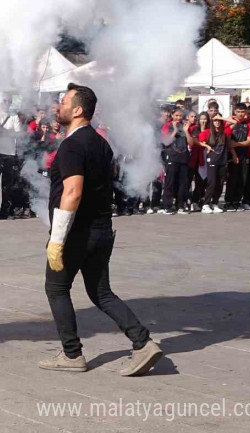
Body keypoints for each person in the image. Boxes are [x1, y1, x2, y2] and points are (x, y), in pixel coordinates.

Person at [41, 83, 160, 376]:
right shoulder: (99, 142)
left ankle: (72, 355)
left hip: (76, 233)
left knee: (56, 289)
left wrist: (57, 240)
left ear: (78, 110)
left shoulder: (72, 145)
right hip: (102, 229)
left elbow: (73, 192)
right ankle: (143, 342)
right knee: (101, 292)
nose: (59, 107)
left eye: (64, 102)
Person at [223, 104, 250, 212]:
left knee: (242, 179)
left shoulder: (248, 124)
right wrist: (233, 153)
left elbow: (249, 141)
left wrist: (236, 144)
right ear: (234, 111)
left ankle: (237, 201)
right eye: (238, 111)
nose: (241, 114)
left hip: (244, 155)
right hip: (231, 156)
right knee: (232, 179)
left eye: (242, 112)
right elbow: (227, 140)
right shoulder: (230, 122)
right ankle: (228, 202)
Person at [160, 109, 190, 214]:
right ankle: (167, 206)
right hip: (171, 158)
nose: (178, 118)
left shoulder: (185, 126)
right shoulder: (167, 126)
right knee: (169, 183)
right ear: (172, 115)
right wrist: (175, 131)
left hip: (184, 158)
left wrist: (186, 131)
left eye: (180, 116)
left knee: (182, 183)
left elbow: (191, 143)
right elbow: (165, 142)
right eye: (176, 115)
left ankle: (180, 205)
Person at [200, 115, 228, 214]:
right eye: (215, 120)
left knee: (220, 183)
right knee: (212, 182)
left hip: (222, 160)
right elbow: (197, 141)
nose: (217, 122)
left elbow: (234, 122)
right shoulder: (207, 132)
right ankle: (206, 204)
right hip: (211, 160)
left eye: (219, 121)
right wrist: (206, 145)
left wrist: (222, 118)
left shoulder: (224, 132)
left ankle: (215, 203)